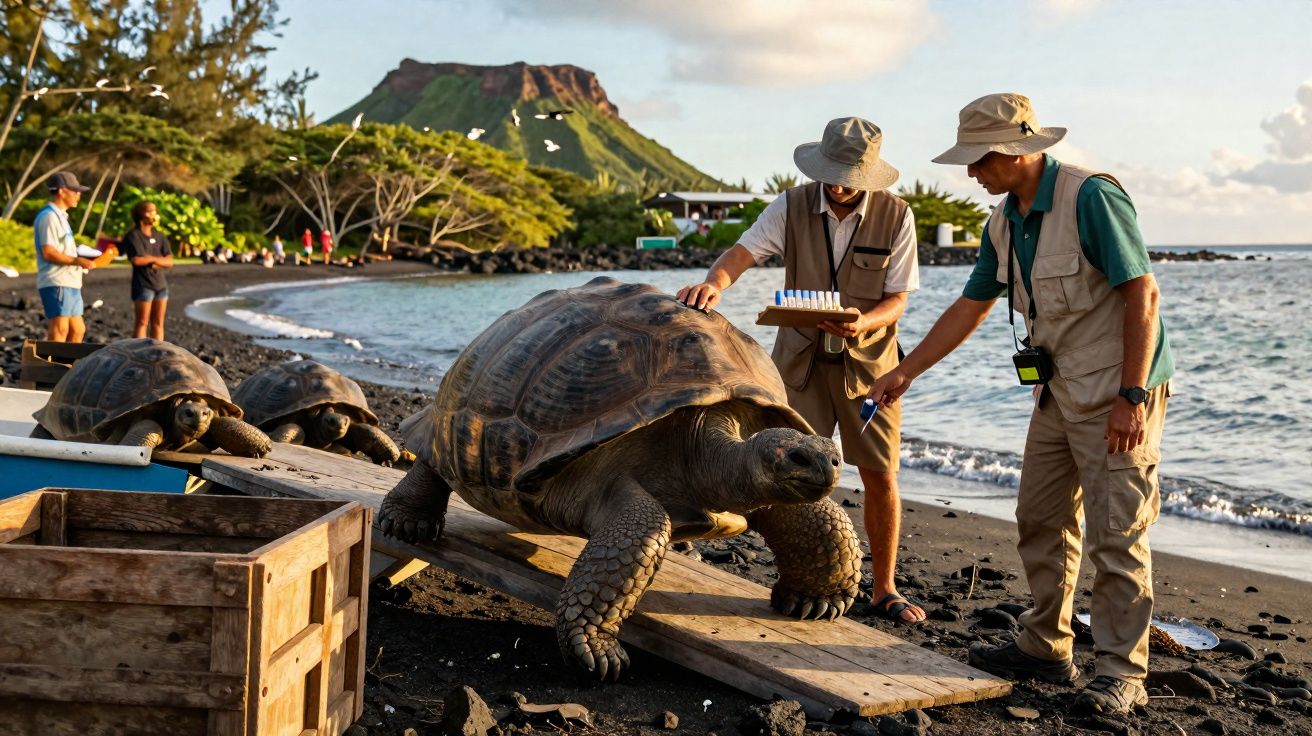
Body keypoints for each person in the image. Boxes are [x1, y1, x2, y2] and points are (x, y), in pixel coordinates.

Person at [864, 93, 1174, 714]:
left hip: (1118, 390)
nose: (970, 174)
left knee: (1118, 534)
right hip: (1057, 392)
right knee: (1039, 516)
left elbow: (1142, 294)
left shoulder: (1092, 198)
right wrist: (905, 372)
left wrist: (1132, 396)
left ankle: (1120, 672)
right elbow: (970, 306)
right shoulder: (1002, 221)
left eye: (977, 162)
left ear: (1013, 151)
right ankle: (1046, 645)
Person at [677, 117, 925, 624]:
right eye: (830, 174)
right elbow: (741, 253)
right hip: (798, 364)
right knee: (773, 467)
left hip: (870, 368)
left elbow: (899, 298)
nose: (837, 186)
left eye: (848, 177)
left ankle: (884, 589)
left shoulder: (898, 215)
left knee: (880, 475)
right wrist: (715, 285)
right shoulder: (789, 205)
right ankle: (770, 563)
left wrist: (863, 322)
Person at [33, 171, 97, 342]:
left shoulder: (61, 217)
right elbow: (48, 252)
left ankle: (69, 367)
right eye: (75, 191)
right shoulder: (49, 216)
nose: (78, 195)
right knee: (60, 329)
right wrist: (78, 260)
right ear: (62, 191)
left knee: (77, 330)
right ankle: (52, 367)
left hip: (70, 281)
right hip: (57, 281)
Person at [119, 200, 173, 340]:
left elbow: (169, 261)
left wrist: (151, 259)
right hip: (143, 286)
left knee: (158, 323)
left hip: (161, 286)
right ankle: (138, 354)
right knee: (142, 322)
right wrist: (158, 260)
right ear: (141, 214)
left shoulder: (160, 236)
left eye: (155, 211)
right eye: (151, 211)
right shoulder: (133, 236)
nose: (155, 214)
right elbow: (136, 260)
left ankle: (157, 354)